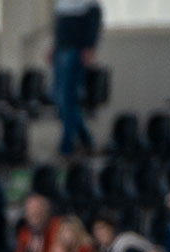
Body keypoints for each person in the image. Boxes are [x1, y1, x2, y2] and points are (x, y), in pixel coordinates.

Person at [52, 0, 102, 157]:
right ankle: (87, 140)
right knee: (60, 98)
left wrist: (89, 47)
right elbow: (59, 28)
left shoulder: (88, 4)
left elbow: (94, 23)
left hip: (75, 51)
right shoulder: (62, 4)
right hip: (61, 50)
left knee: (67, 98)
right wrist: (54, 48)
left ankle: (67, 146)